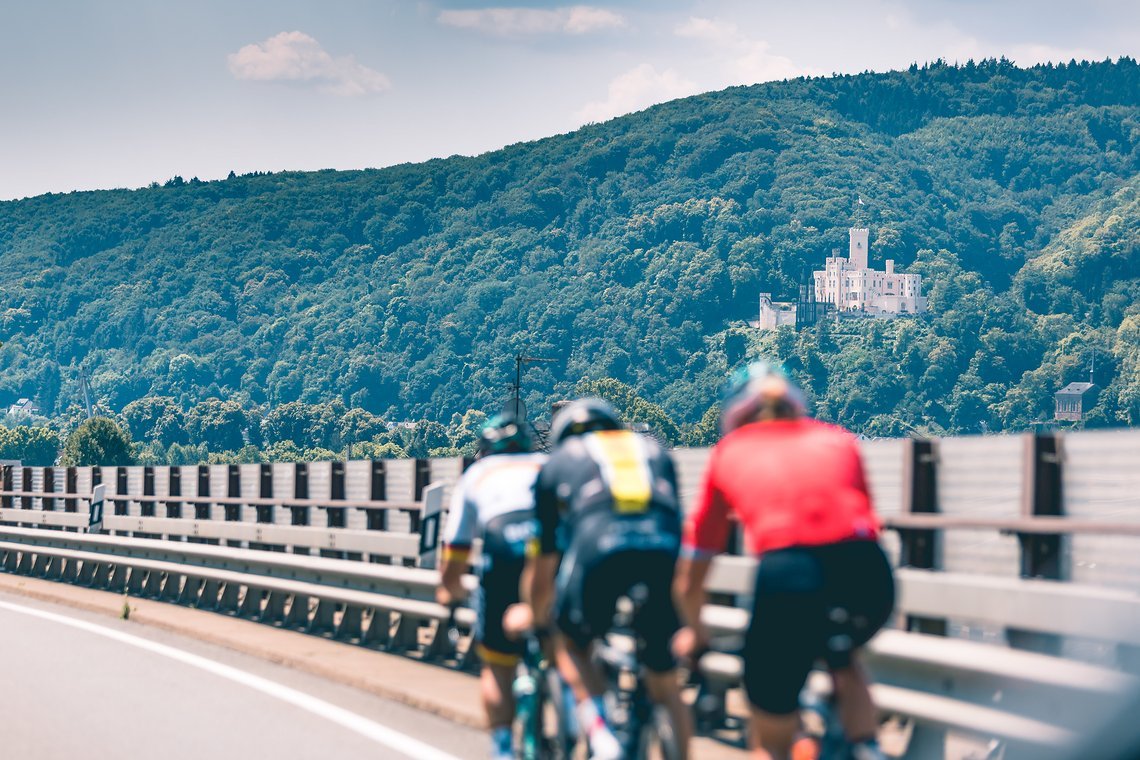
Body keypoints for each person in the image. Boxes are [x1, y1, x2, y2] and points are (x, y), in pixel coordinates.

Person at [673, 361, 895, 760]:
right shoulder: (839, 440)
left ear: (736, 415)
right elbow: (865, 520)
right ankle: (867, 747)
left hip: (789, 575)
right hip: (870, 573)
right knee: (843, 660)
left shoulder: (730, 451)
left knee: (770, 731)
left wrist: (696, 632)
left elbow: (693, 569)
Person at [522, 398, 693, 760]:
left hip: (598, 546)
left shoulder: (556, 464)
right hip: (663, 548)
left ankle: (602, 736)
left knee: (571, 642)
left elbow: (543, 563)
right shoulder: (653, 451)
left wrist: (540, 620)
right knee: (664, 679)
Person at [437, 414, 548, 760]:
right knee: (568, 647)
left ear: (484, 451)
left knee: (498, 666)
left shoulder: (477, 475)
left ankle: (503, 748)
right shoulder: (546, 465)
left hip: (503, 553)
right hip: (550, 554)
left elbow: (456, 547)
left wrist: (449, 590)